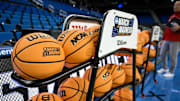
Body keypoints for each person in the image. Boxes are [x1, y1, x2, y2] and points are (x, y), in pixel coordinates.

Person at [157, 1, 180, 77]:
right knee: (162, 53)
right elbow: (167, 29)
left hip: (176, 40)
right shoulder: (172, 16)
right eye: (174, 5)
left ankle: (171, 72)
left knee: (173, 56)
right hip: (167, 39)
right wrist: (163, 39)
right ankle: (165, 68)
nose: (175, 7)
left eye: (177, 5)